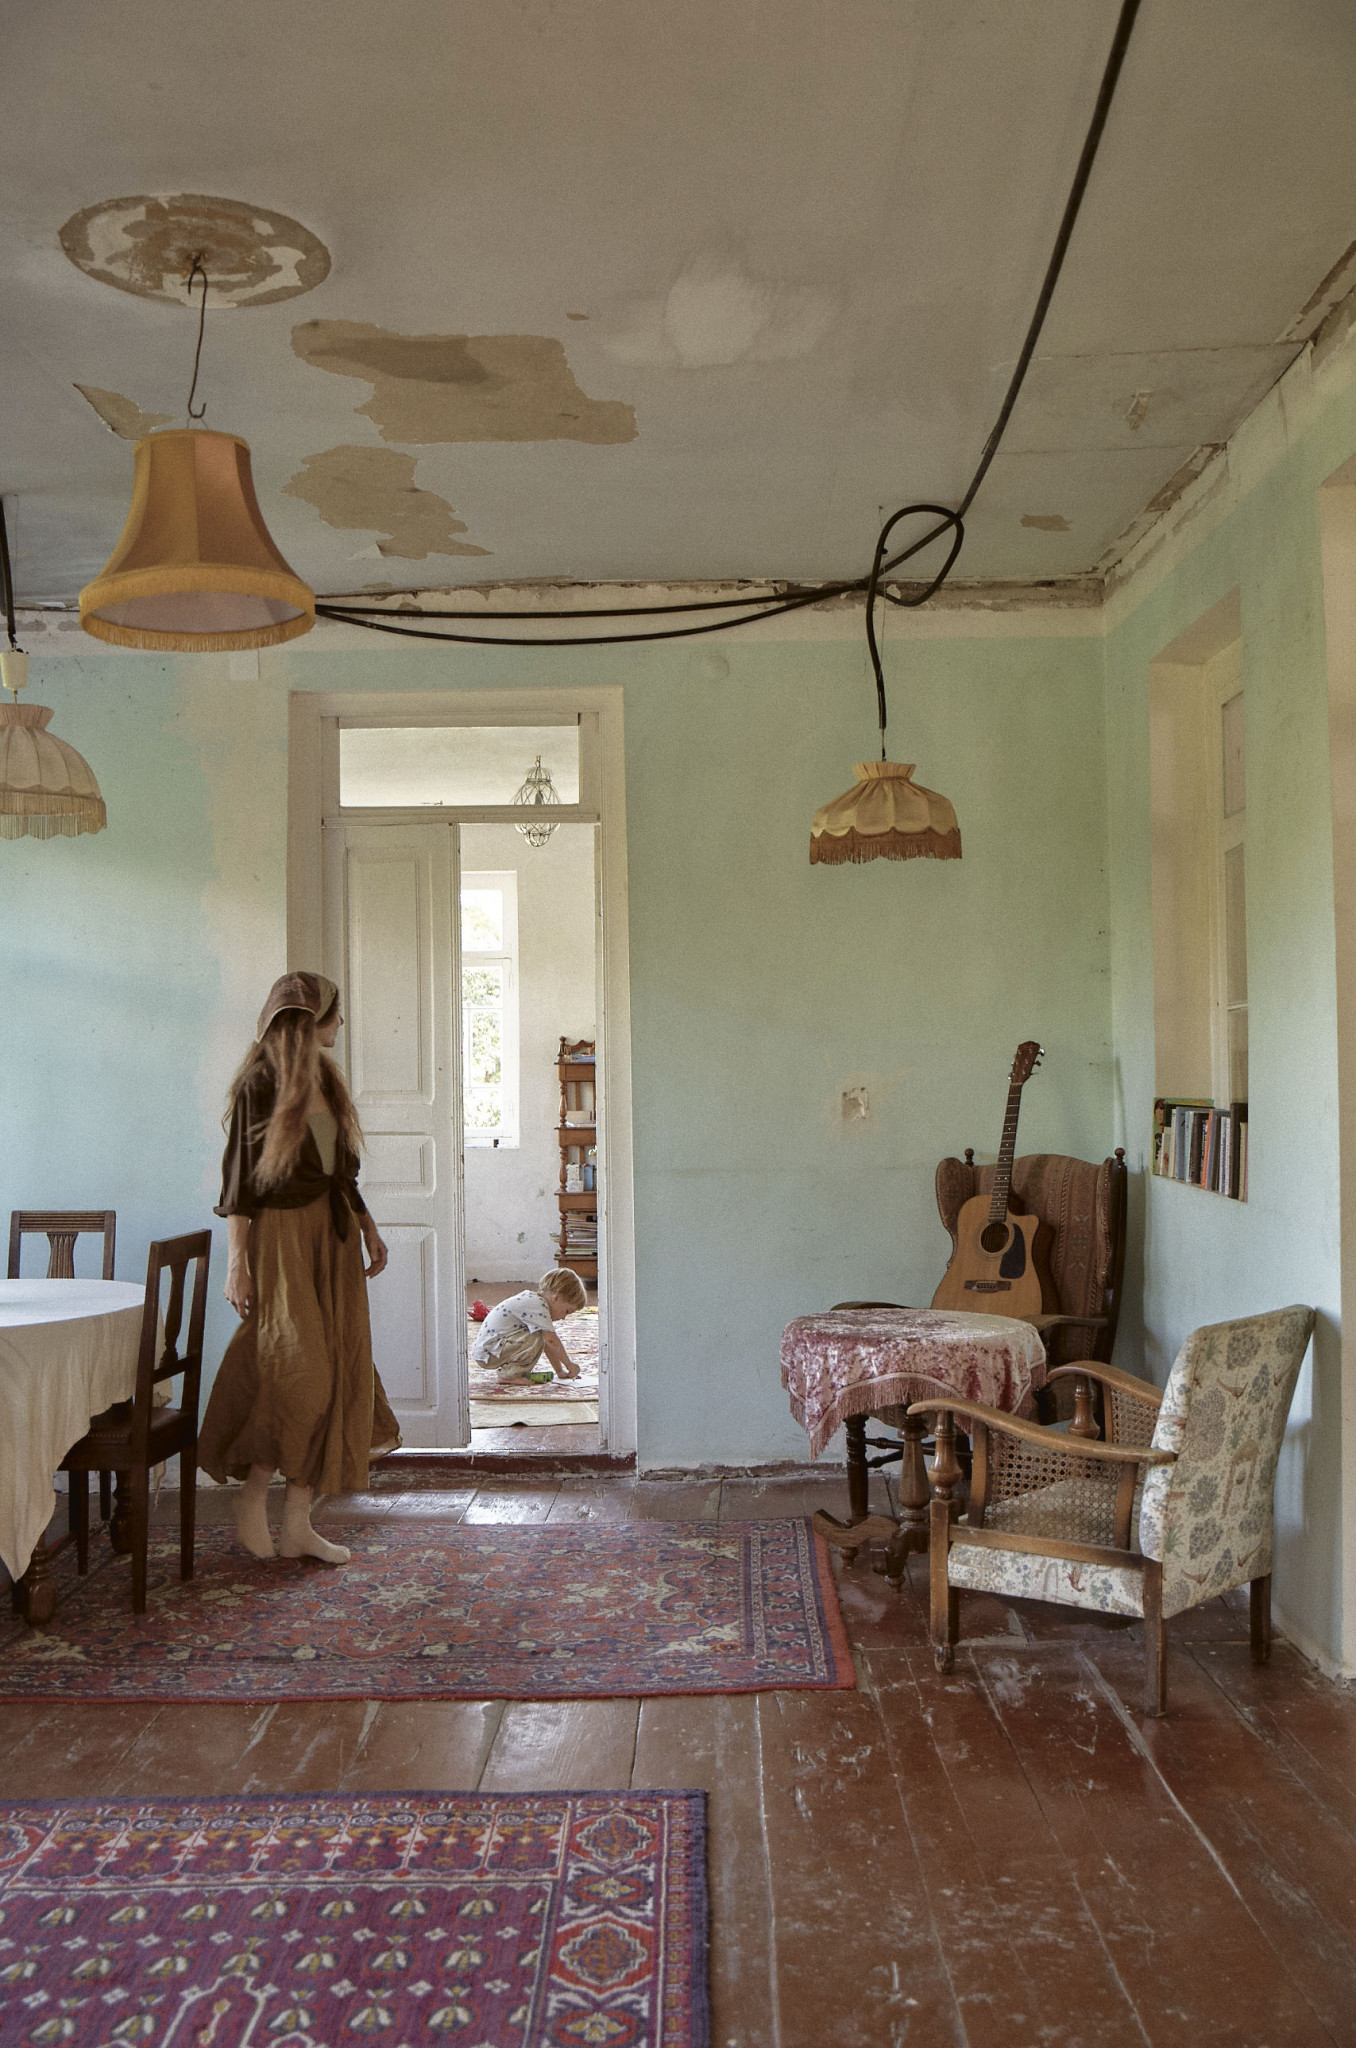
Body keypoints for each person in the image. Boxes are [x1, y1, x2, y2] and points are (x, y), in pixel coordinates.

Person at [200, 971, 400, 1564]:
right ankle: (253, 1494)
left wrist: (367, 1226)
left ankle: (297, 1524)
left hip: (333, 1241)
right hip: (283, 1242)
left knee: (336, 1373)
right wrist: (237, 1265)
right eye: (335, 1013)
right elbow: (238, 1184)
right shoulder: (259, 1084)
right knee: (298, 1376)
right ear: (308, 1020)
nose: (342, 1023)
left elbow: (343, 1172)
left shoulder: (327, 1079)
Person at [472, 1268, 587, 1382]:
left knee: (539, 1337)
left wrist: (560, 1371)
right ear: (556, 1298)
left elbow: (549, 1346)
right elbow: (551, 1341)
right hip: (490, 1352)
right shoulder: (537, 1306)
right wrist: (569, 1364)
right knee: (536, 1338)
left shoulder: (534, 1301)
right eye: (567, 1311)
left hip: (490, 1350)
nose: (563, 1317)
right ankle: (510, 1376)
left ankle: (512, 1373)